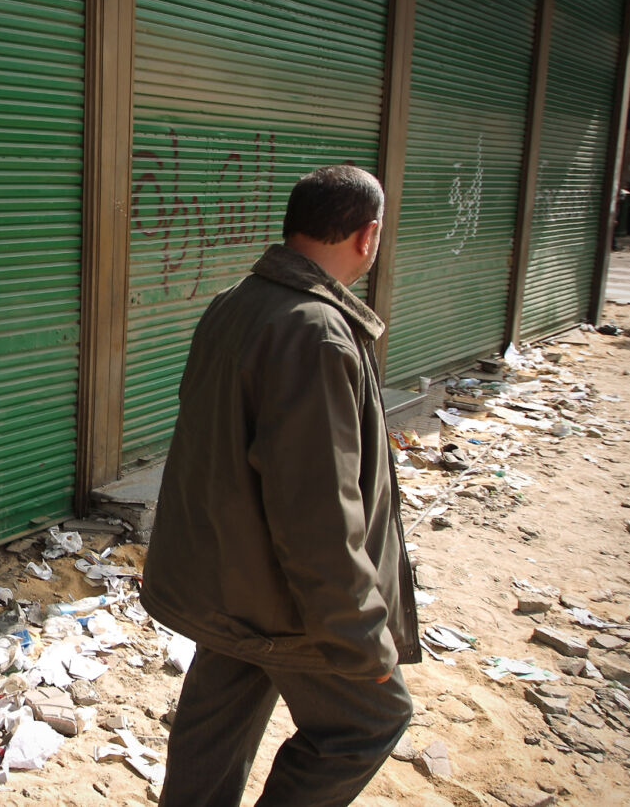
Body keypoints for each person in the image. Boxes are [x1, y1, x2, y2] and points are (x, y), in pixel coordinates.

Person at [141, 164, 421, 807]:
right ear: (367, 236)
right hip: (284, 603)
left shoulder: (236, 302)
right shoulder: (315, 331)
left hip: (227, 583)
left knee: (213, 737)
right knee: (370, 719)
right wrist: (360, 635)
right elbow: (319, 511)